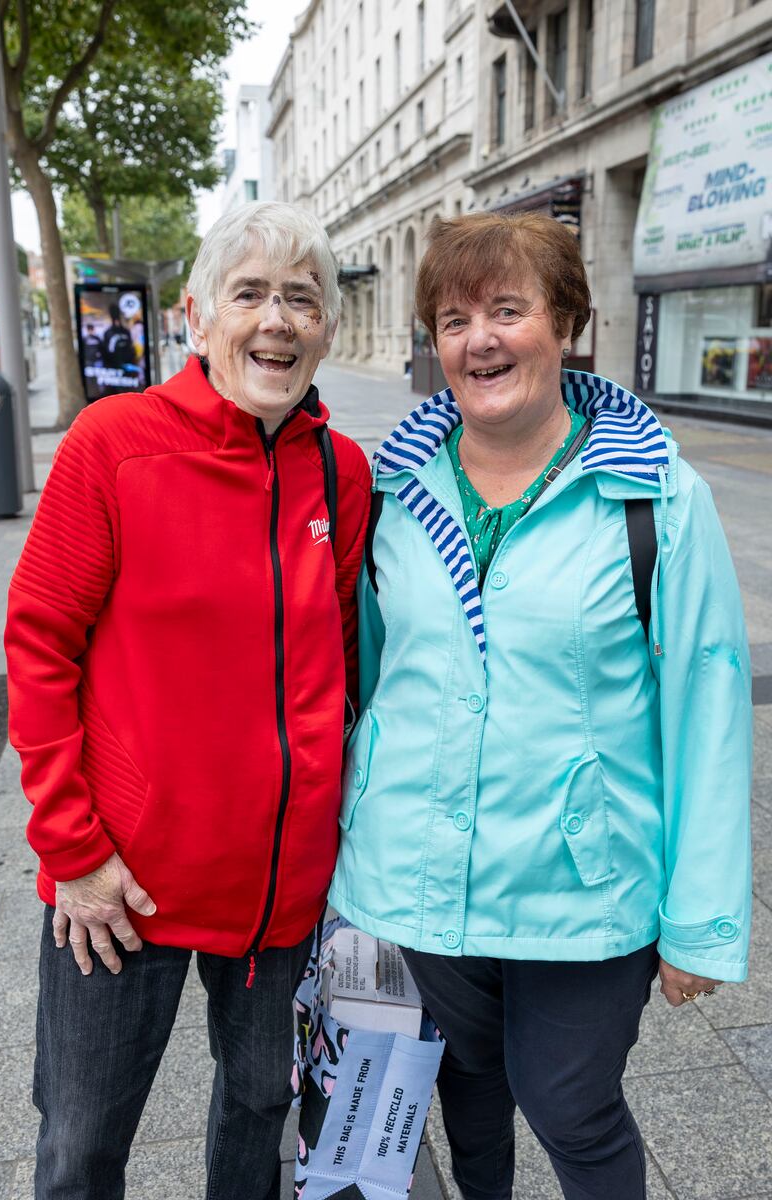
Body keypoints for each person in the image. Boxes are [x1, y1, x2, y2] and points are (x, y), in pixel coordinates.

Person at [329, 211, 752, 1200]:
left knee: (568, 1102)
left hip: (581, 886)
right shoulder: (388, 490)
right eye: (451, 317)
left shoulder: (655, 499)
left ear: (565, 324)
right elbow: (371, 676)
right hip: (404, 881)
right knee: (462, 1092)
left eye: (506, 310)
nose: (477, 339)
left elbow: (705, 709)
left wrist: (698, 922)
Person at [5, 201, 370, 1200]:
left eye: (302, 298)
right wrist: (72, 852)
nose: (277, 321)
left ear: (326, 329)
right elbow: (39, 647)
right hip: (121, 886)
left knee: (257, 1119)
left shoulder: (341, 472)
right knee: (81, 1144)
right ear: (197, 317)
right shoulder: (112, 445)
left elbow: (340, 651)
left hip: (278, 890)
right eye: (249, 293)